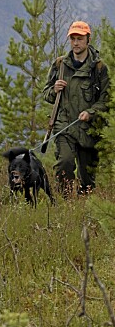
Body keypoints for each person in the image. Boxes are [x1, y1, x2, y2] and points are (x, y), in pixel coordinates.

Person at [43, 21, 109, 197]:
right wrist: (54, 89)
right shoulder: (60, 65)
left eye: (79, 38)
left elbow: (106, 101)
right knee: (64, 164)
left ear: (88, 39)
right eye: (72, 38)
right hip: (64, 125)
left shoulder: (99, 68)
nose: (76, 43)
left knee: (87, 178)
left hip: (89, 129)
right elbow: (46, 94)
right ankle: (65, 204)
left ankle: (83, 207)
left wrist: (91, 112)